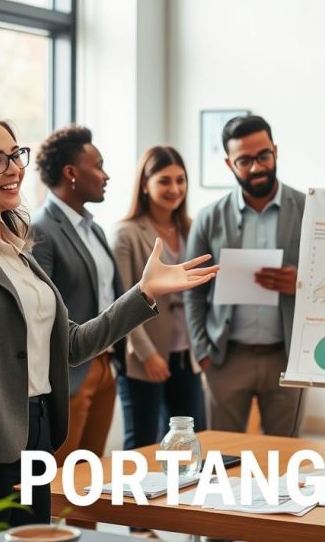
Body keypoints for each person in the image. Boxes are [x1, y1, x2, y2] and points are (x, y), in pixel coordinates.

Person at [0, 112, 218, 542]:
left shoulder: (16, 249)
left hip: (35, 427)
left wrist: (144, 292)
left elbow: (72, 344)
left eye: (14, 155)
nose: (13, 169)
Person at [185, 114, 306, 437]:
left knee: (285, 459)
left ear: (275, 151)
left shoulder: (309, 209)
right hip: (225, 358)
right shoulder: (209, 218)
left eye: (263, 156)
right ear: (229, 164)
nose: (256, 167)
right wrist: (202, 352)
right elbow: (192, 290)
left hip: (286, 356)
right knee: (223, 458)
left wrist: (302, 283)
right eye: (244, 161)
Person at [30, 124, 123, 465]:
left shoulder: (94, 228)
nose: (105, 175)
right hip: (69, 374)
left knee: (90, 476)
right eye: (98, 165)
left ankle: (83, 524)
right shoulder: (41, 229)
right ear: (71, 172)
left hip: (105, 367)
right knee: (61, 481)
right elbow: (38, 312)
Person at [113, 146, 206, 449]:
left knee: (193, 441)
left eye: (181, 180)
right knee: (141, 445)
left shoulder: (192, 229)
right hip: (145, 357)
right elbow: (120, 303)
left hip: (185, 356)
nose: (175, 188)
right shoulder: (126, 234)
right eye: (164, 180)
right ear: (144, 183)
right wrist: (147, 354)